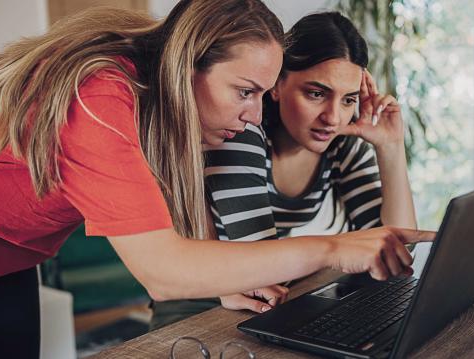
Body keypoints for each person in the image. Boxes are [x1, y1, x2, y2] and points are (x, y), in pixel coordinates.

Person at [0, 1, 433, 356]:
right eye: (245, 91)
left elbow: (185, 217)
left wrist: (224, 280)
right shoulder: (99, 95)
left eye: (260, 95)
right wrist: (334, 248)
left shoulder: (158, 103)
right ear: (187, 65)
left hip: (6, 255)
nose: (252, 116)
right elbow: (162, 271)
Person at [151, 12, 419, 329]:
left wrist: (390, 147)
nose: (333, 117)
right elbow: (259, 263)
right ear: (277, 85)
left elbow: (399, 252)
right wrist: (332, 253)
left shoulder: (340, 144)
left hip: (272, 295)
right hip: (201, 306)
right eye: (316, 94)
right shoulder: (241, 134)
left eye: (348, 100)